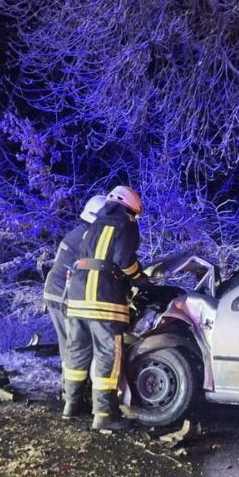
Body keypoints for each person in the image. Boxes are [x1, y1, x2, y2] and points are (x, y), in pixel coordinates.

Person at [62, 184, 151, 431]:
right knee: (107, 355)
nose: (135, 218)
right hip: (104, 300)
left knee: (77, 350)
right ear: (131, 208)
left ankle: (71, 404)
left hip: (78, 298)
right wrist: (139, 279)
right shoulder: (127, 224)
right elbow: (124, 260)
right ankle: (104, 415)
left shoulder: (95, 224)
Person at [42, 195, 108, 417]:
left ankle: (73, 395)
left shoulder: (81, 232)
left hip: (58, 292)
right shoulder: (87, 236)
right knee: (72, 346)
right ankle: (69, 397)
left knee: (73, 345)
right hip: (62, 296)